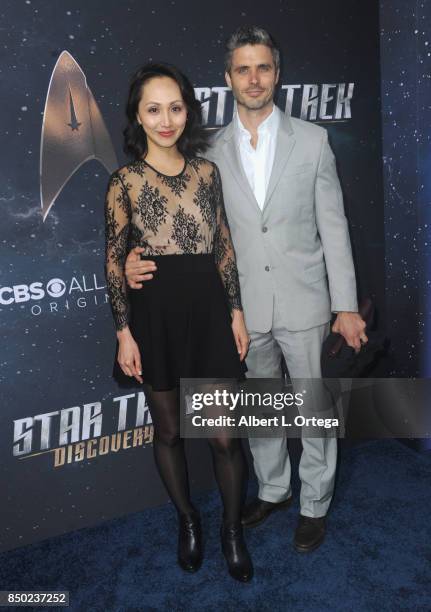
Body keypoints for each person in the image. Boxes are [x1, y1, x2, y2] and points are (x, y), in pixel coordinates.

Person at [124, 27, 367, 555]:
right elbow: (174, 219)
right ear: (228, 78)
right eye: (242, 69)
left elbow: (335, 226)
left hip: (305, 299)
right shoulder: (206, 149)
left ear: (277, 75)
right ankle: (276, 490)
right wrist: (130, 257)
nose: (253, 78)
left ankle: (315, 504)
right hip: (237, 308)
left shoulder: (314, 140)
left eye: (263, 68)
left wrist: (344, 304)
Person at [104, 62, 253, 582]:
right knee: (168, 431)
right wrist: (124, 331)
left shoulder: (206, 174)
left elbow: (224, 247)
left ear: (187, 111)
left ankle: (232, 530)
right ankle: (188, 520)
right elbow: (113, 260)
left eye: (174, 107)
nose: (165, 119)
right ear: (138, 117)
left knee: (224, 438)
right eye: (153, 108)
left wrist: (236, 310)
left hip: (210, 313)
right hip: (156, 318)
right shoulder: (123, 181)